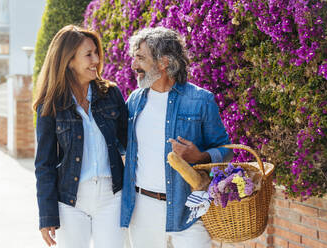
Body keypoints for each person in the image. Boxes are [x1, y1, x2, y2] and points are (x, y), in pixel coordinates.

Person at [120, 27, 232, 248]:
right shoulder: (134, 101)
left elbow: (226, 150)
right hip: (143, 212)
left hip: (189, 212)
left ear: (163, 62)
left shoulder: (200, 100)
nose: (134, 66)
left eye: (141, 58)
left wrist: (201, 156)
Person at [33, 25, 127, 248]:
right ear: (68, 61)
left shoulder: (111, 94)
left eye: (96, 52)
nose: (96, 59)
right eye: (88, 54)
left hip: (112, 197)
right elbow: (44, 164)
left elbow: (130, 142)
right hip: (70, 201)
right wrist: (47, 216)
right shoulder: (50, 105)